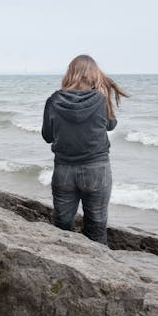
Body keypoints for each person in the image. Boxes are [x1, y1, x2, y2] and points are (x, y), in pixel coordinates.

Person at [42, 55, 128, 245]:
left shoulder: (54, 100)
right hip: (96, 169)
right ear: (93, 76)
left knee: (62, 225)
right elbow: (111, 125)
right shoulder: (100, 99)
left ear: (70, 74)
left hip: (64, 169)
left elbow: (47, 136)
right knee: (96, 226)